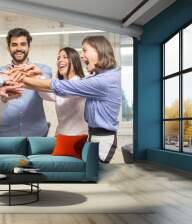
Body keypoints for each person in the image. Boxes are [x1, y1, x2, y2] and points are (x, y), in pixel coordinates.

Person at [12, 35, 121, 163]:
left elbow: (61, 88)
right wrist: (35, 76)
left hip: (96, 137)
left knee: (92, 175)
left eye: (85, 50)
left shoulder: (98, 82)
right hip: (79, 135)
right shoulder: (95, 79)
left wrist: (20, 79)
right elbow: (49, 91)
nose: (82, 55)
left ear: (98, 50)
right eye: (58, 58)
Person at [0, 28, 52, 137]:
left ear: (29, 47)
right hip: (7, 136)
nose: (19, 48)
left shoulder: (42, 69)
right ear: (8, 48)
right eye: (14, 44)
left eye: (23, 44)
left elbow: (47, 87)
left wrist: (32, 77)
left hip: (37, 136)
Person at [38, 47, 88, 136]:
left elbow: (63, 90)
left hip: (78, 137)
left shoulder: (80, 83)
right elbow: (44, 93)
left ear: (74, 61)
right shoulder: (60, 85)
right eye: (58, 58)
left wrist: (37, 76)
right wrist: (35, 76)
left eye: (65, 57)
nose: (60, 60)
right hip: (60, 136)